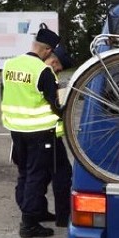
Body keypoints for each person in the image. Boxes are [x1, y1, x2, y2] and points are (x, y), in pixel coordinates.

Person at [1, 25, 62, 238]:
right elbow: (55, 103)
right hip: (39, 131)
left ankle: (33, 210)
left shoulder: (9, 65)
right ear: (47, 51)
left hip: (15, 129)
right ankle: (28, 223)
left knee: (24, 172)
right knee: (38, 175)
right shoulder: (43, 71)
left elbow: (5, 94)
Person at [44, 45, 74, 228]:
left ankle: (34, 212)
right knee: (62, 174)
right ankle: (63, 217)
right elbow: (56, 105)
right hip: (49, 134)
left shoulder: (33, 72)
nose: (59, 72)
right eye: (59, 68)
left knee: (35, 174)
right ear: (55, 62)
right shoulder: (48, 75)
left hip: (31, 133)